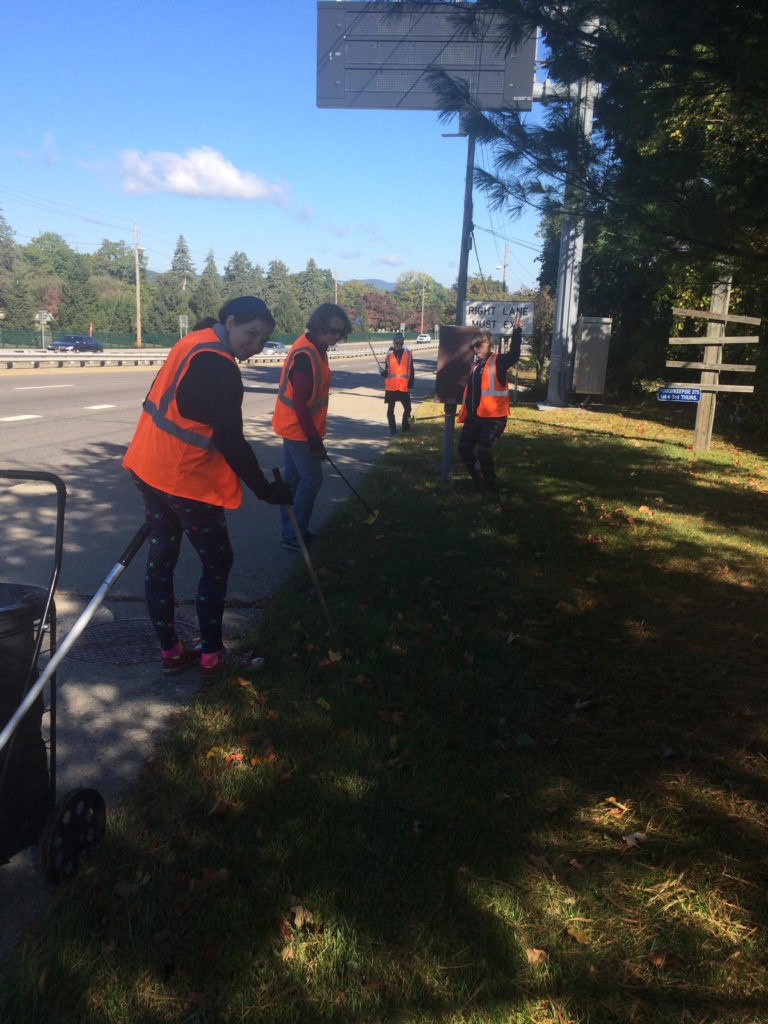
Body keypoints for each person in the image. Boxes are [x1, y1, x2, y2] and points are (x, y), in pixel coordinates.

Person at [123, 296, 292, 678]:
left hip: (148, 469)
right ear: (230, 322)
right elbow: (231, 440)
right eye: (251, 335)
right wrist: (266, 490)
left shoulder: (192, 341)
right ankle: (212, 657)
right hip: (184, 481)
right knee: (217, 562)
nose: (255, 347)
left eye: (263, 341)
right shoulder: (221, 367)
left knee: (161, 557)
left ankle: (171, 650)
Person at [272, 302, 352, 552]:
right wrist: (313, 438)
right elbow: (299, 402)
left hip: (295, 425)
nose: (336, 336)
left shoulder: (317, 346)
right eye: (332, 331)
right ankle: (294, 535)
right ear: (318, 326)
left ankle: (290, 530)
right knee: (312, 479)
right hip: (298, 428)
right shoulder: (306, 356)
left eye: (340, 332)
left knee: (294, 480)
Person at [456, 328, 518, 490]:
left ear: (488, 343)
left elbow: (514, 354)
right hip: (475, 418)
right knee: (464, 449)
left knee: (484, 451)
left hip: (494, 419)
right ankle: (477, 478)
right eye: (472, 347)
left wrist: (517, 331)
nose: (475, 349)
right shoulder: (476, 366)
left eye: (478, 345)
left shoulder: (499, 361)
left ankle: (489, 486)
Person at [380, 331, 414, 435]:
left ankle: (405, 426)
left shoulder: (408, 354)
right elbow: (387, 371)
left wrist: (411, 383)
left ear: (403, 343)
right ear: (393, 342)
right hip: (391, 387)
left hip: (403, 386)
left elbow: (411, 369)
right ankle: (393, 430)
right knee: (391, 410)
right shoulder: (389, 356)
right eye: (397, 343)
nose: (399, 345)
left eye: (401, 343)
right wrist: (384, 373)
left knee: (408, 408)